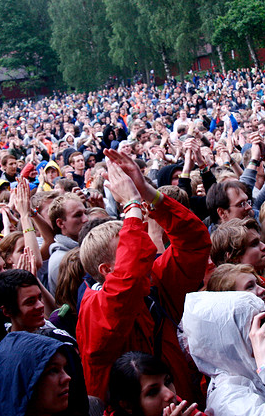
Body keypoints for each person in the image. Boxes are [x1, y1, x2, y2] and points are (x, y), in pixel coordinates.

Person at [77, 149, 211, 401]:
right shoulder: (94, 309)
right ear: (106, 271)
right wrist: (131, 206)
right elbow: (125, 285)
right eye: (129, 245)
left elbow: (195, 241)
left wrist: (147, 193)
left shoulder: (154, 286)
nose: (145, 250)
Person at [182, 291, 265, 415]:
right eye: (255, 327)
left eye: (263, 320)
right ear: (229, 342)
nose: (264, 331)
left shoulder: (258, 360)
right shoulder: (228, 401)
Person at [108, 352, 206, 416]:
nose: (170, 394)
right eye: (153, 392)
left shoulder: (184, 410)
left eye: (167, 382)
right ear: (128, 405)